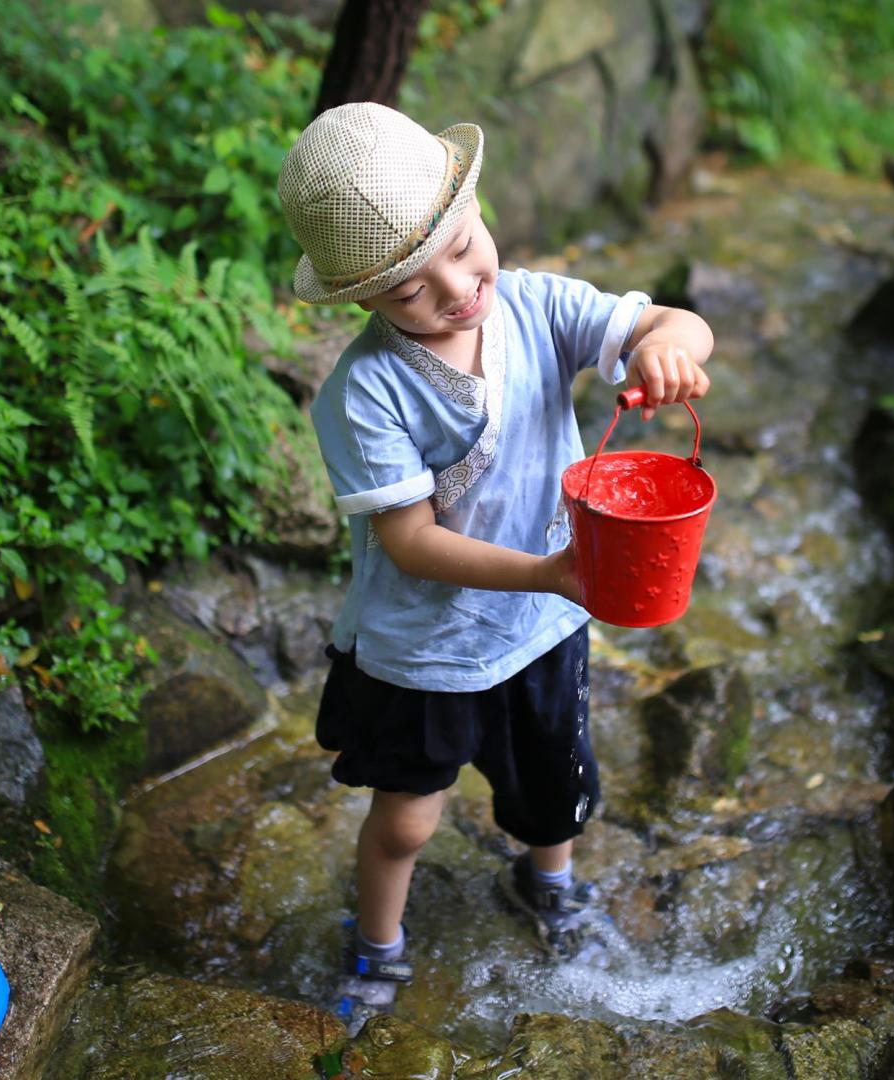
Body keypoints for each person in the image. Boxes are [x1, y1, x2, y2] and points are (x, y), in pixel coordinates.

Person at [277, 102, 714, 1025]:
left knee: (555, 788)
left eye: (464, 244)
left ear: (481, 210)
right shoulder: (365, 393)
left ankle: (546, 885)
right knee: (405, 819)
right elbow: (411, 540)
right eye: (408, 290)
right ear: (361, 300)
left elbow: (665, 322)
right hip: (425, 647)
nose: (455, 288)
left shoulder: (540, 307)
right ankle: (377, 949)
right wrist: (555, 573)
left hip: (543, 628)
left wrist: (673, 345)